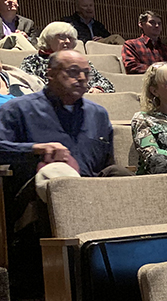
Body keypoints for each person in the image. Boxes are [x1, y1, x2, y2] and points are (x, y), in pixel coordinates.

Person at [0, 50, 129, 200]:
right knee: (58, 174)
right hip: (39, 196)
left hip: (94, 193)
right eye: (73, 72)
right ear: (51, 74)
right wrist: (35, 149)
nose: (81, 78)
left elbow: (106, 163)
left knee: (120, 174)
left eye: (86, 73)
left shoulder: (98, 114)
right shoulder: (18, 109)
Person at [20, 22, 114, 93]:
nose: (67, 41)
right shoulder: (33, 61)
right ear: (48, 39)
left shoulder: (81, 62)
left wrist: (97, 89)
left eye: (70, 38)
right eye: (62, 37)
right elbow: (23, 84)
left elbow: (106, 83)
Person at [122, 10, 167, 75]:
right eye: (152, 22)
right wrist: (158, 70)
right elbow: (131, 67)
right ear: (141, 24)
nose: (157, 26)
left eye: (159, 23)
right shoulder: (131, 45)